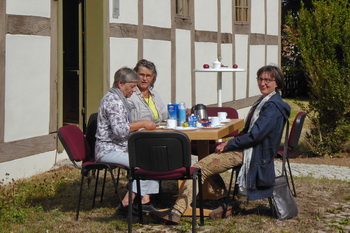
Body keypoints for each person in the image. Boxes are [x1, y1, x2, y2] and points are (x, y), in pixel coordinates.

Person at [149, 65, 291, 224]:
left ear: (276, 83)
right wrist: (231, 143)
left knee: (198, 169)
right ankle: (226, 202)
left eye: (268, 80)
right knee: (207, 162)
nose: (263, 83)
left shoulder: (272, 106)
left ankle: (176, 211)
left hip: (253, 153)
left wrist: (229, 144)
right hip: (250, 149)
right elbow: (250, 132)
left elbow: (255, 136)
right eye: (260, 79)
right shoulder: (266, 101)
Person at [95, 67, 159, 214]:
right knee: (145, 163)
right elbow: (119, 130)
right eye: (132, 87)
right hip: (109, 149)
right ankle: (128, 203)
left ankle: (144, 200)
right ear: (120, 84)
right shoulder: (113, 101)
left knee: (153, 157)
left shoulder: (119, 99)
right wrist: (142, 123)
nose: (134, 90)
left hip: (120, 147)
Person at [128, 59, 168, 124]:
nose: (144, 79)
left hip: (157, 132)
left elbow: (165, 116)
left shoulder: (155, 95)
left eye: (148, 76)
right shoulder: (130, 94)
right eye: (141, 75)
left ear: (153, 78)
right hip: (138, 133)